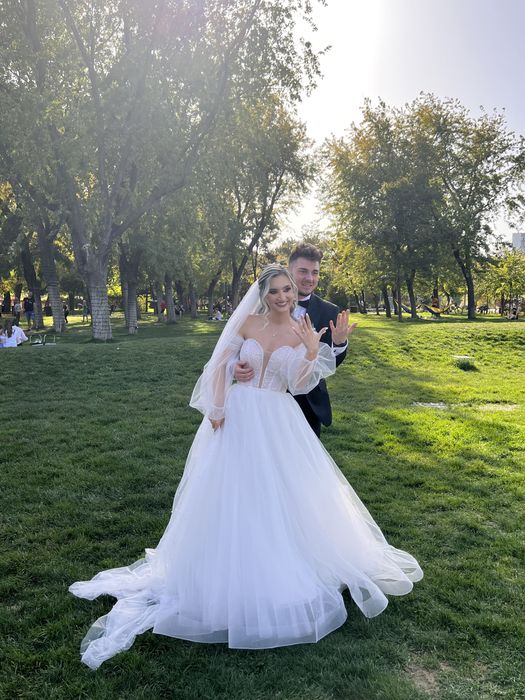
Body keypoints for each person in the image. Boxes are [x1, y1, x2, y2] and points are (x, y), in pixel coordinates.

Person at [69, 264, 422, 670]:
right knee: (227, 492)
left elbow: (299, 383)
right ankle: (215, 570)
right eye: (275, 291)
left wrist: (313, 350)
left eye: (287, 289)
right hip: (236, 414)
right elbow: (221, 363)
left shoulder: (303, 327)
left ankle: (280, 563)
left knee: (279, 493)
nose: (283, 297)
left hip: (278, 418)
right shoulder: (248, 323)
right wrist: (218, 408)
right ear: (263, 295)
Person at [235, 243, 354, 437]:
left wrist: (339, 344)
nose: (310, 278)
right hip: (257, 405)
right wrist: (233, 366)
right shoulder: (260, 305)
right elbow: (236, 348)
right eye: (303, 271)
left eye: (315, 273)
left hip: (306, 405)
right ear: (289, 271)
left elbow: (327, 364)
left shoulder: (329, 311)